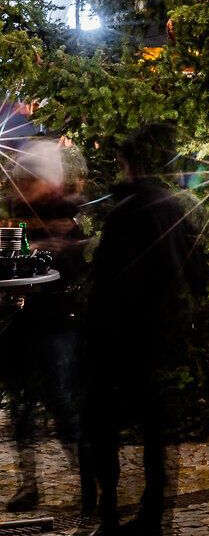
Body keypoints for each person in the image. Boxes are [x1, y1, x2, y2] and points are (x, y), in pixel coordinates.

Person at [82, 122, 207, 536]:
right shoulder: (173, 207)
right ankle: (152, 513)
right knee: (154, 426)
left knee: (104, 423)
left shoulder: (129, 212)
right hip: (158, 334)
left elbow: (109, 279)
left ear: (130, 163)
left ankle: (110, 513)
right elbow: (195, 268)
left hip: (120, 335)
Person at [4, 138, 88, 516]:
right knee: (21, 407)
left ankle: (89, 482)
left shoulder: (66, 216)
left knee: (63, 404)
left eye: (30, 178)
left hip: (56, 325)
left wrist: (53, 250)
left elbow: (76, 269)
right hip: (21, 325)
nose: (23, 184)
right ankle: (29, 484)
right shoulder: (17, 216)